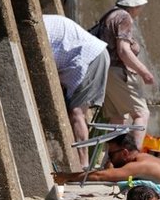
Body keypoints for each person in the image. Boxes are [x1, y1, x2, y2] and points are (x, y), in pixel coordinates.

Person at [42, 14, 112, 169]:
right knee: (77, 112)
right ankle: (82, 162)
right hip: (88, 58)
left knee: (77, 113)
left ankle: (83, 165)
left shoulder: (39, 28)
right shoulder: (43, 22)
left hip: (90, 58)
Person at [93, 0, 155, 133]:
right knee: (141, 114)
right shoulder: (124, 17)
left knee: (118, 118)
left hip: (105, 71)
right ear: (135, 5)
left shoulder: (110, 15)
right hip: (117, 72)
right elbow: (123, 51)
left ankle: (117, 149)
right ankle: (134, 149)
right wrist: (144, 72)